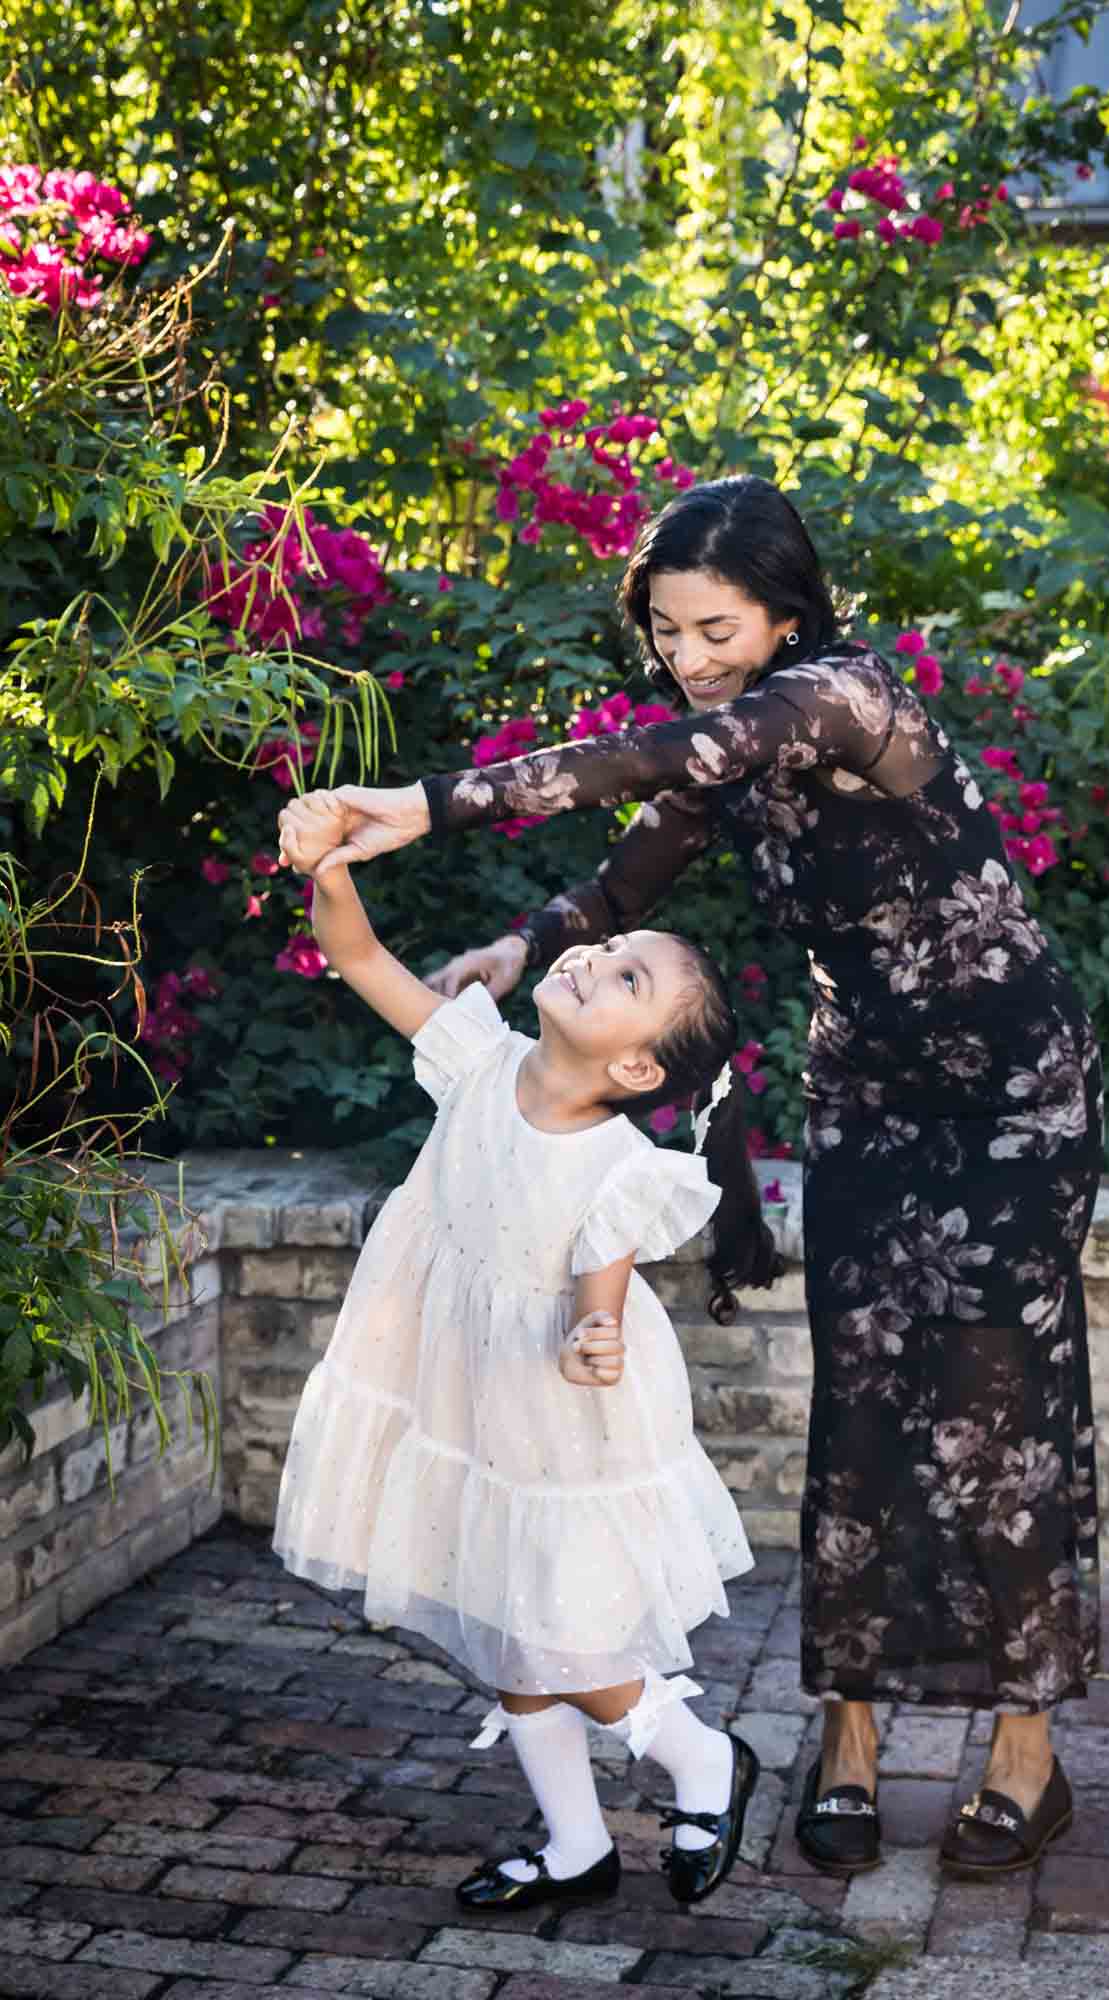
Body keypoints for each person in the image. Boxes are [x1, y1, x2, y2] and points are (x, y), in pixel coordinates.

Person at [277, 473, 1103, 1885]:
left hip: (1009, 1094)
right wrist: (518, 943)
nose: (690, 656)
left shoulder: (845, 700)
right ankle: (843, 1738)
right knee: (859, 1400)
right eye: (666, 633)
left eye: (715, 628)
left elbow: (654, 759)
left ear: (787, 612)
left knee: (996, 1411)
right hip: (866, 1092)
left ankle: (1025, 1754)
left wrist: (427, 803)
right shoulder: (737, 748)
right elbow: (629, 871)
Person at [271, 792, 767, 1911]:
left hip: (554, 1415)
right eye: (606, 945)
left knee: (563, 1625)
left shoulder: (617, 1165)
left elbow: (598, 1300)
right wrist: (328, 861)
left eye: (628, 976)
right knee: (499, 1616)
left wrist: (595, 1338)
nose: (593, 955)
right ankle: (577, 1842)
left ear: (639, 1069)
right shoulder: (477, 1059)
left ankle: (696, 1756)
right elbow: (354, 952)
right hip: (459, 1386)